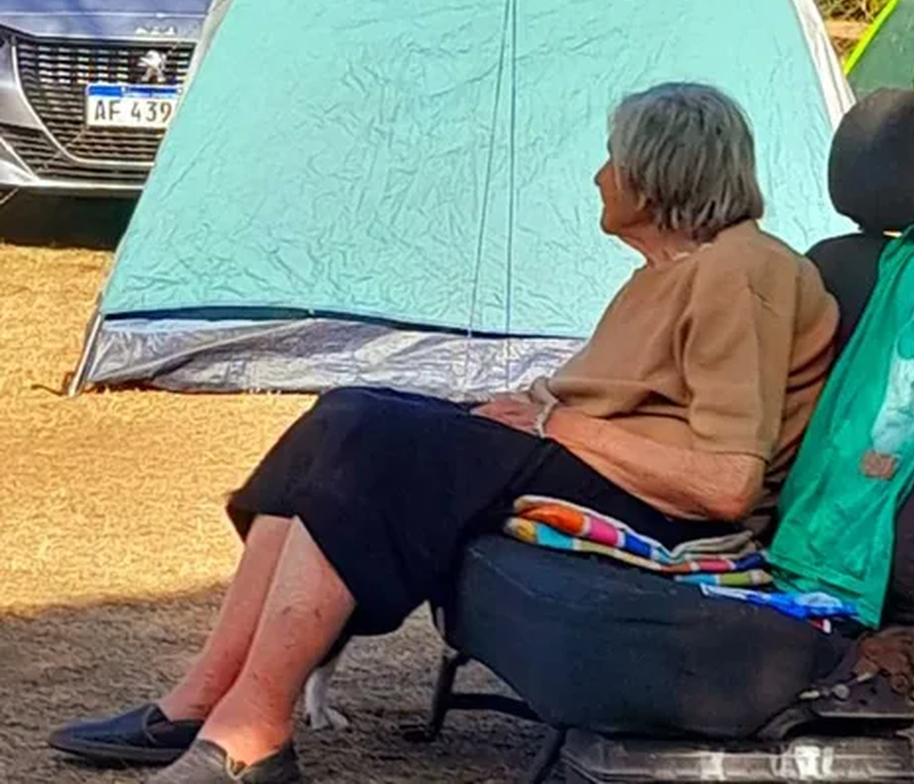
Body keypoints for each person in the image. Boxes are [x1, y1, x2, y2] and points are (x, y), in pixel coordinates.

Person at [51, 83, 838, 784]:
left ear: (656, 173)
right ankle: (203, 697)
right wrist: (530, 413)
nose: (599, 175)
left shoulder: (743, 272)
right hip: (589, 462)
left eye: (612, 158)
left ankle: (254, 732)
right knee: (344, 415)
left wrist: (551, 420)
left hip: (659, 506)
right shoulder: (666, 273)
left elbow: (725, 478)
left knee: (370, 432)